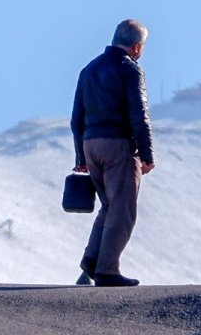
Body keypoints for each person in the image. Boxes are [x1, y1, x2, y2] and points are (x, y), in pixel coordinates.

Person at [70, 19, 156, 287]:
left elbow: (76, 118)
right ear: (137, 46)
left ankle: (92, 260)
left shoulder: (89, 69)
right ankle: (107, 270)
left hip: (91, 144)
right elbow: (139, 114)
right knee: (123, 209)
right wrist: (147, 154)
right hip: (118, 145)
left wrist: (80, 157)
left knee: (108, 206)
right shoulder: (130, 70)